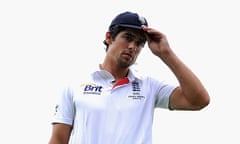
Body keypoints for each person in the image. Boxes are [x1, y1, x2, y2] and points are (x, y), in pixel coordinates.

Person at [48, 11, 210, 144]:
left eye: (140, 43)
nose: (133, 46)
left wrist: (166, 54)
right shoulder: (75, 85)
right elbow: (58, 140)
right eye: (128, 37)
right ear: (109, 37)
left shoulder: (149, 86)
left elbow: (199, 100)